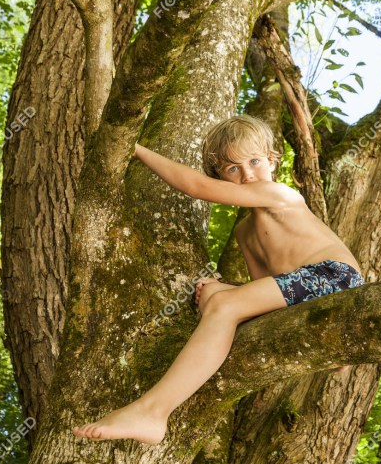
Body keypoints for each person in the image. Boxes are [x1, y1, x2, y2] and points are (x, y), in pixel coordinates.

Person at [72, 115, 364, 444]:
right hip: (305, 289)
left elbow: (196, 187)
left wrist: (134, 147)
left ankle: (152, 412)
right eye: (233, 169)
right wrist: (221, 290)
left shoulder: (280, 194)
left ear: (271, 161)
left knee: (223, 302)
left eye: (254, 161)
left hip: (335, 277)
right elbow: (270, 297)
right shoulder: (245, 234)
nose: (248, 174)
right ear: (223, 177)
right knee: (216, 298)